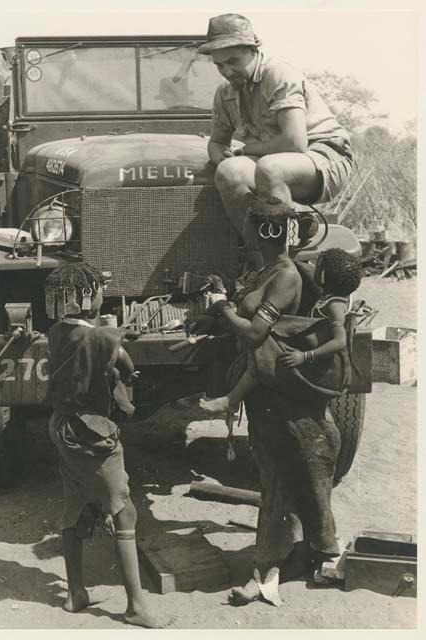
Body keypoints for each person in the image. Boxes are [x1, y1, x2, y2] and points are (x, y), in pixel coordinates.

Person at [187, 210, 353, 607]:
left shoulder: (286, 276)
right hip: (270, 396)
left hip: (285, 398)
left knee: (282, 477)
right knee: (282, 475)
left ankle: (269, 567)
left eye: (248, 226)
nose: (241, 232)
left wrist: (223, 306)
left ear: (265, 232)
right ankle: (304, 555)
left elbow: (256, 332)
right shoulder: (266, 270)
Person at [45, 262, 169, 628]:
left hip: (62, 426)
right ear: (89, 297)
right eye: (99, 288)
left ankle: (75, 593)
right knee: (123, 510)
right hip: (91, 431)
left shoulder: (56, 332)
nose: (103, 294)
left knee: (75, 504)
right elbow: (126, 365)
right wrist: (124, 372)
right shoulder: (103, 339)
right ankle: (135, 606)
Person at [198, 13, 353, 270]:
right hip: (270, 160)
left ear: (253, 49)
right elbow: (216, 143)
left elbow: (294, 142)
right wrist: (221, 158)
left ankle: (285, 264)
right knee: (229, 172)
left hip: (324, 156)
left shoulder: (278, 74)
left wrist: (246, 150)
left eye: (233, 61)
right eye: (219, 65)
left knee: (271, 169)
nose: (227, 71)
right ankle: (261, 264)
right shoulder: (225, 93)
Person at [200, 246, 361, 415]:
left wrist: (305, 356)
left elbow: (339, 341)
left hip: (313, 359)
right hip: (307, 348)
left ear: (322, 276)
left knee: (263, 356)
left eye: (317, 266)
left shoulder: (334, 305)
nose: (312, 267)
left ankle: (231, 400)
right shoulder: (327, 297)